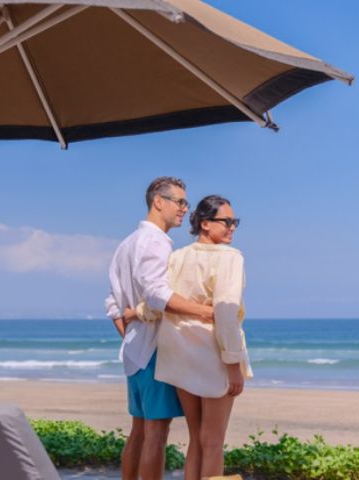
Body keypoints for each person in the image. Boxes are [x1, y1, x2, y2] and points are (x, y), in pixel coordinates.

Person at [125, 194, 252, 480]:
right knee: (214, 442)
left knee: (197, 439)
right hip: (212, 357)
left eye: (236, 222)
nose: (233, 227)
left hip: (180, 357)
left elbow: (162, 300)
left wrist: (135, 313)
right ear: (205, 223)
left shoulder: (178, 257)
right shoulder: (231, 258)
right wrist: (233, 364)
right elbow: (226, 315)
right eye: (227, 221)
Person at [104, 177, 214, 480]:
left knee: (139, 431)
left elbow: (112, 304)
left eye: (185, 203)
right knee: (156, 433)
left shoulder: (126, 243)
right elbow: (157, 294)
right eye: (180, 202)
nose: (184, 210)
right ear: (158, 201)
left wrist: (129, 333)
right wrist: (204, 312)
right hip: (153, 351)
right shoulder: (154, 242)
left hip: (135, 351)